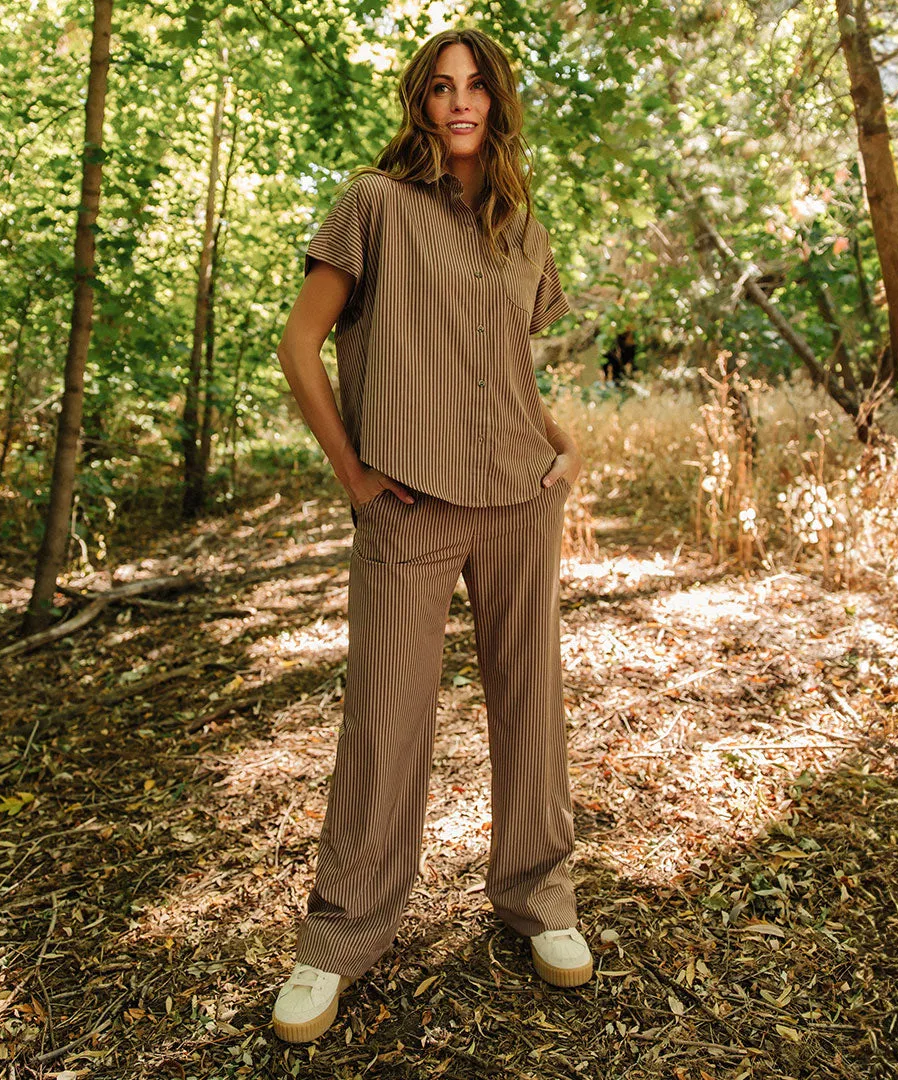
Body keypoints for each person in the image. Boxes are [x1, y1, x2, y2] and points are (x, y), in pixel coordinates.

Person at [272, 26, 591, 1044]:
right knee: (384, 721)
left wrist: (561, 444)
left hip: (517, 497)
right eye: (443, 87)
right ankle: (339, 939)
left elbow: (509, 371)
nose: (460, 103)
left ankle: (541, 900)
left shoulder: (518, 222)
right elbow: (299, 344)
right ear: (422, 101)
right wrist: (355, 474)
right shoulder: (373, 203)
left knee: (529, 702)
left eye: (478, 88)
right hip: (406, 503)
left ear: (497, 105)